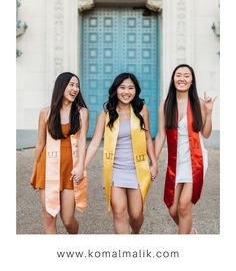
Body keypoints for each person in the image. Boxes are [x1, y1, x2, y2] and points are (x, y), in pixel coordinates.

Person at [85, 73, 158, 234]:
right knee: (119, 211)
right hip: (115, 169)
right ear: (116, 90)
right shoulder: (106, 114)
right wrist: (81, 166)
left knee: (136, 214)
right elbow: (95, 142)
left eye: (131, 88)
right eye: (122, 87)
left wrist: (154, 163)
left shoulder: (141, 110)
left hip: (137, 168)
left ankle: (135, 233)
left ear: (136, 90)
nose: (126, 92)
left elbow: (147, 137)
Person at [155, 64, 216, 234]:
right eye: (178, 75)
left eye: (186, 76)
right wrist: (153, 161)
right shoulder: (166, 104)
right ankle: (190, 233)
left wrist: (209, 113)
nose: (182, 78)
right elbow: (160, 136)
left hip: (195, 159)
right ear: (173, 79)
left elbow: (206, 133)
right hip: (175, 159)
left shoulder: (200, 103)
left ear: (191, 81)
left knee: (183, 207)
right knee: (173, 209)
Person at [31, 72, 88, 234]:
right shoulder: (45, 112)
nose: (75, 89)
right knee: (49, 217)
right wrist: (35, 171)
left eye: (77, 85)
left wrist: (81, 167)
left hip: (70, 170)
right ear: (61, 86)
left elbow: (83, 141)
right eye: (71, 84)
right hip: (47, 169)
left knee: (68, 219)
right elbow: (40, 143)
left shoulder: (81, 112)